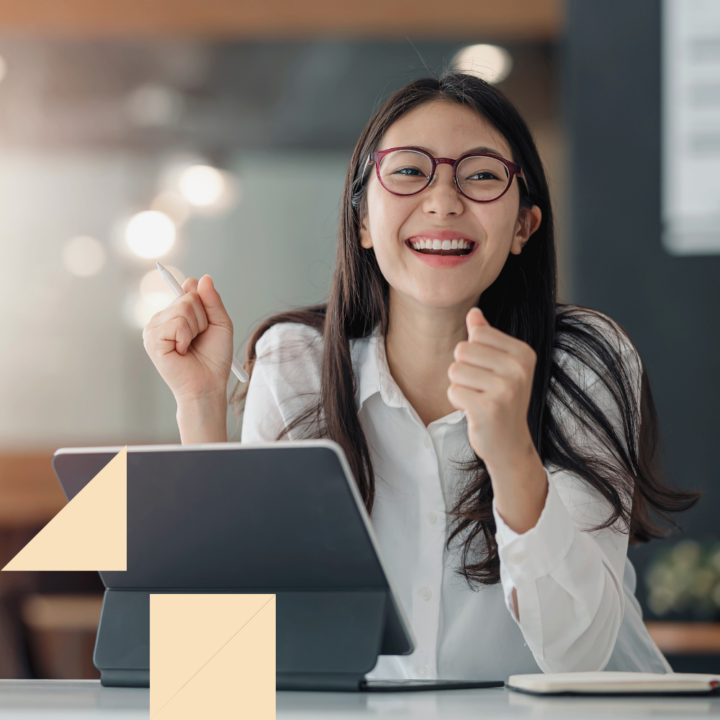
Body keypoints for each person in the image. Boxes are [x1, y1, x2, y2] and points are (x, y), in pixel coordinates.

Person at [142, 72, 700, 681]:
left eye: (482, 175)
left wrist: (512, 449)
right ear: (360, 221)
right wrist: (200, 405)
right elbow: (232, 648)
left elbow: (579, 655)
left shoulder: (584, 362)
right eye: (409, 172)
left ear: (523, 227)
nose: (443, 201)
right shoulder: (296, 363)